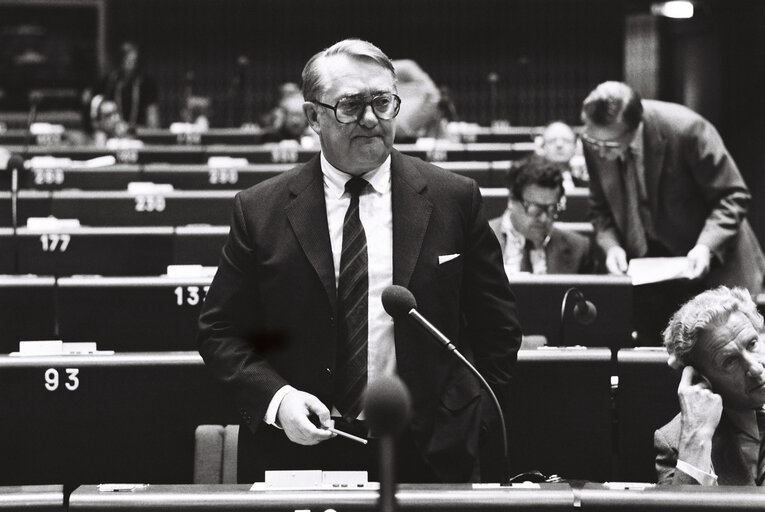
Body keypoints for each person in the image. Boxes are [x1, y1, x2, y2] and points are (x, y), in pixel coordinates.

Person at [197, 39, 521, 484]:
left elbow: (496, 329)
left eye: (383, 103)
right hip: (300, 452)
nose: (371, 119)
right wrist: (280, 401)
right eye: (350, 105)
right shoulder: (259, 210)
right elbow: (221, 332)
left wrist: (465, 419)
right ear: (314, 116)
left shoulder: (455, 198)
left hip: (431, 450)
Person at [581, 81, 765, 343]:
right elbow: (599, 209)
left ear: (636, 127)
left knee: (723, 354)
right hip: (651, 266)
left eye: (609, 146)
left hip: (711, 258)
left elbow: (732, 196)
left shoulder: (687, 129)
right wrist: (611, 246)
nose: (599, 150)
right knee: (658, 356)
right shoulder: (596, 139)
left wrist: (705, 247)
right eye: (592, 141)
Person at [655, 286, 765, 485]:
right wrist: (697, 441)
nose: (756, 368)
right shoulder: (676, 441)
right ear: (701, 378)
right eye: (730, 361)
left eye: (752, 344)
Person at [489, 156, 600, 275]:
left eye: (552, 209)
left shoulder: (579, 248)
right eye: (535, 209)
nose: (544, 218)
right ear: (512, 200)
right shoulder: (476, 241)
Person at [96, 41, 159, 129]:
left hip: (139, 131)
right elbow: (102, 112)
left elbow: (152, 114)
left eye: (134, 61)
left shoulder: (146, 83)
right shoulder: (110, 82)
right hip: (114, 132)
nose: (131, 65)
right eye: (127, 60)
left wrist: (151, 131)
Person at [536, 121, 589, 189]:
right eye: (552, 140)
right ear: (542, 146)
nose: (559, 145)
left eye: (566, 140)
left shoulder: (589, 186)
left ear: (576, 146)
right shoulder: (530, 185)